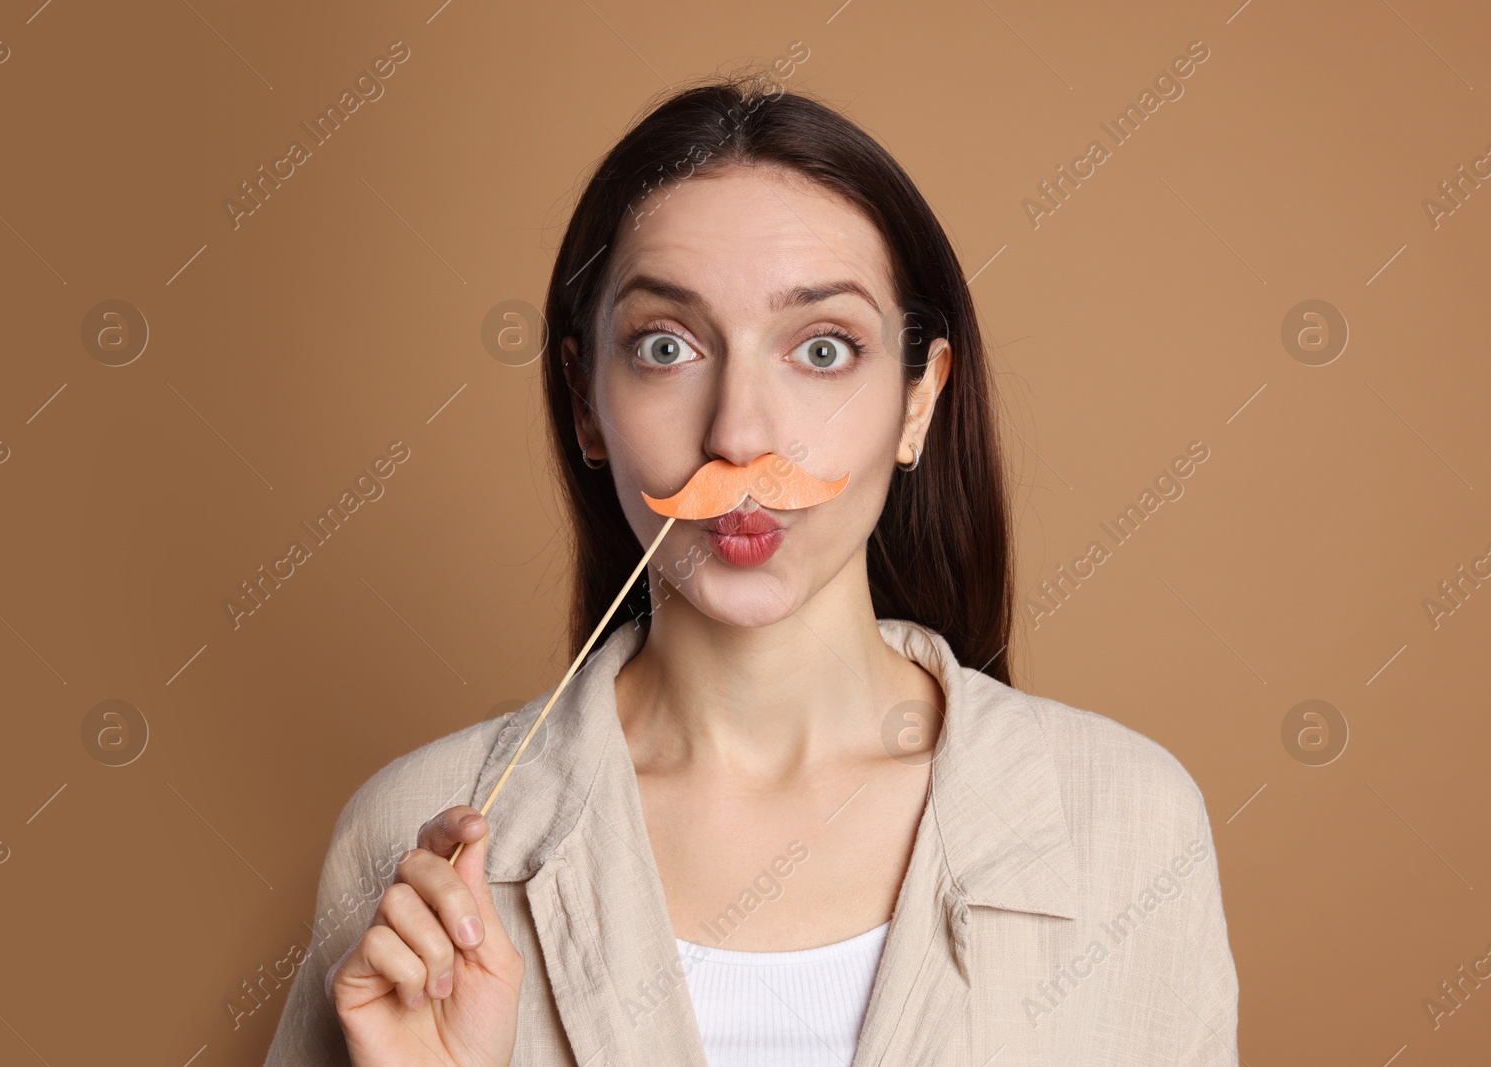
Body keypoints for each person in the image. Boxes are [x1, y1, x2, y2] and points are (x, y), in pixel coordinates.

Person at [262, 72, 1239, 1067]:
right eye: (665, 345)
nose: (737, 432)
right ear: (585, 400)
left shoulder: (1125, 824)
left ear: (916, 400)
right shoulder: (410, 837)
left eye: (820, 348)